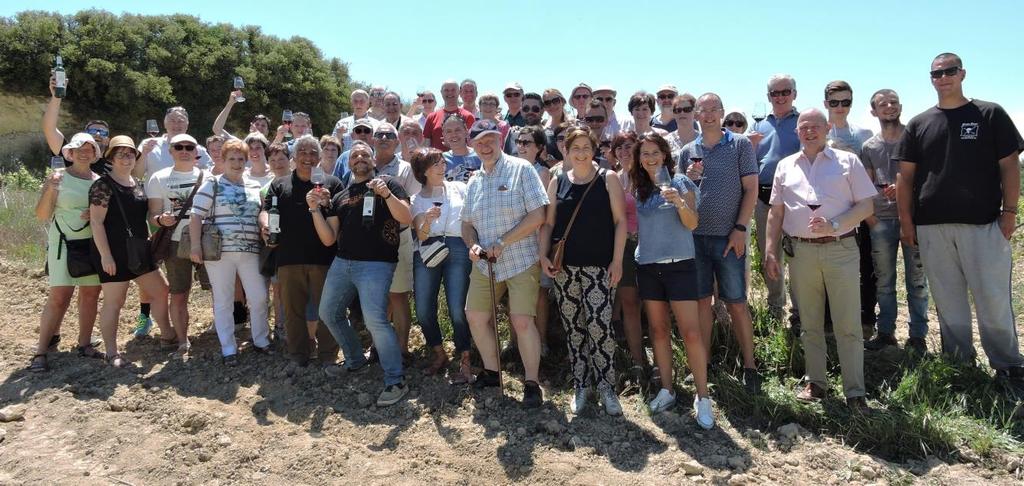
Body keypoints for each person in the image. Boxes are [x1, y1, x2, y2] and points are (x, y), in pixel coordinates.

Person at [894, 52, 1024, 400]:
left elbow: (1010, 165)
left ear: (962, 73)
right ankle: (959, 364)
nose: (943, 77)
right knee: (949, 302)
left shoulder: (989, 113)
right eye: (936, 73)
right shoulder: (920, 124)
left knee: (993, 299)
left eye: (949, 71)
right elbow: (905, 178)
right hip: (932, 228)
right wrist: (907, 222)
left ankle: (1009, 367)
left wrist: (1009, 213)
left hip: (983, 225)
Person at [764, 109, 876, 412]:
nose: (809, 131)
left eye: (815, 126)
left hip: (841, 248)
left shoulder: (847, 161)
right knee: (809, 322)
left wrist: (835, 225)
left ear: (827, 128)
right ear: (797, 132)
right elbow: (776, 212)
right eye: (804, 127)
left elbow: (866, 205)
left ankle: (855, 392)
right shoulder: (786, 166)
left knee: (848, 323)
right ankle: (816, 383)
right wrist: (770, 250)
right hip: (800, 252)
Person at [314, 141, 412, 406]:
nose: (360, 158)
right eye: (355, 155)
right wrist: (314, 209)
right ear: (349, 163)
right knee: (328, 313)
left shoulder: (389, 183)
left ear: (373, 160)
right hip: (342, 262)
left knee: (375, 321)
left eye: (365, 154)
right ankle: (356, 360)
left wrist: (387, 196)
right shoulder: (340, 197)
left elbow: (406, 218)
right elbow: (328, 238)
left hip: (376, 264)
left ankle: (396, 380)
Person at [460, 119, 549, 408]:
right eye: (479, 142)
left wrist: (504, 241)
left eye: (489, 140)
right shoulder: (473, 181)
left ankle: (532, 383)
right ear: (472, 146)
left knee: (522, 321)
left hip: (521, 259)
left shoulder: (521, 169)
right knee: (474, 316)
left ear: (500, 139)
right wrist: (472, 244)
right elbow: (466, 225)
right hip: (485, 264)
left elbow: (538, 216)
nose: (485, 146)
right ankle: (492, 371)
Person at [539, 127, 627, 415]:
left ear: (594, 149)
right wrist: (543, 255)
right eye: (574, 147)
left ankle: (606, 387)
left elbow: (620, 222)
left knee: (600, 327)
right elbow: (549, 223)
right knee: (574, 328)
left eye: (585, 147)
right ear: (566, 149)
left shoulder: (608, 178)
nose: (580, 153)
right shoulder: (558, 181)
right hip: (565, 268)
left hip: (599, 267)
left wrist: (617, 260)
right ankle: (581, 384)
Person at [678, 93, 761, 394]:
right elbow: (681, 197)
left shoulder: (739, 145)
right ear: (697, 115)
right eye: (704, 110)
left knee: (736, 303)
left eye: (715, 110)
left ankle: (750, 366)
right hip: (695, 239)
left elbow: (750, 190)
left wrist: (740, 228)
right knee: (702, 302)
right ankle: (704, 362)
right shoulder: (688, 151)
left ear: (723, 113)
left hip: (729, 238)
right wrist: (688, 180)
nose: (710, 115)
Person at [631, 132, 713, 429]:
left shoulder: (681, 183)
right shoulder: (638, 189)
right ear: (639, 160)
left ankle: (703, 397)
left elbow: (692, 223)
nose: (650, 158)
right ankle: (667, 389)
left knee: (691, 333)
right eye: (644, 154)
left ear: (665, 155)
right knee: (658, 330)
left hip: (681, 266)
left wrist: (679, 202)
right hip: (649, 266)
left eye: (655, 152)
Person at [88, 136, 171, 368]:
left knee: (161, 290)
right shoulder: (103, 185)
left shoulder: (137, 184)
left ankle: (167, 333)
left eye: (130, 154)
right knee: (115, 301)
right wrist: (105, 256)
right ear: (111, 158)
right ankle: (112, 352)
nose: (126, 158)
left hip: (137, 250)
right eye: (120, 154)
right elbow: (96, 222)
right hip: (112, 252)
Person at [260, 135, 342, 367]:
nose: (307, 157)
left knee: (327, 310)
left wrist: (327, 203)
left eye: (312, 153)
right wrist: (265, 224)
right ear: (294, 157)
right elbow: (265, 210)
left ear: (319, 157)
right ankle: (298, 355)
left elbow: (340, 218)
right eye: (303, 152)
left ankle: (328, 356)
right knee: (292, 312)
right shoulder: (279, 184)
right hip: (288, 259)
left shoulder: (333, 183)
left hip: (324, 259)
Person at [188, 139, 271, 366]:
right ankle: (228, 348)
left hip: (251, 251)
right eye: (231, 159)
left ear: (246, 161)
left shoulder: (254, 186)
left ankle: (261, 340)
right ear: (223, 161)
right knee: (223, 300)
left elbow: (262, 213)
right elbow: (196, 216)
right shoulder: (212, 184)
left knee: (259, 297)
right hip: (219, 253)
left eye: (240, 159)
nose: (236, 163)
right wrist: (195, 246)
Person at [861, 89, 929, 353]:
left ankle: (918, 336)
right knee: (884, 281)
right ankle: (886, 332)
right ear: (874, 111)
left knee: (917, 281)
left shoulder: (914, 139)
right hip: (882, 221)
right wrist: (872, 220)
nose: (889, 107)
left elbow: (925, 178)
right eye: (883, 104)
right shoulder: (870, 147)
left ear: (900, 107)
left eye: (893, 102)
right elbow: (865, 185)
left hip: (913, 219)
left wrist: (903, 190)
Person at [29, 133, 104, 372]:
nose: (84, 152)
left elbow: (106, 215)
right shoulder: (58, 178)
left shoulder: (100, 181)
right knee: (60, 296)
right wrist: (51, 189)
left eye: (89, 148)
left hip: (91, 245)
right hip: (63, 243)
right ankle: (41, 351)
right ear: (69, 153)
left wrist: (94, 215)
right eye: (78, 148)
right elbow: (42, 214)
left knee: (91, 294)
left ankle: (84, 344)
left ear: (95, 154)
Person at [409, 148, 473, 381]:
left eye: (441, 162)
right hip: (427, 250)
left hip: (458, 247)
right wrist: (426, 220)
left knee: (458, 309)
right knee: (423, 310)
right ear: (423, 171)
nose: (441, 166)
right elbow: (422, 235)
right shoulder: (416, 199)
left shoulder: (460, 188)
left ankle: (465, 358)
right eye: (435, 163)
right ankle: (439, 353)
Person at [146, 133, 212, 355]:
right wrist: (160, 220)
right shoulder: (158, 178)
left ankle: (223, 333)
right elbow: (153, 215)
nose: (184, 150)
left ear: (196, 152)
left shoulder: (209, 176)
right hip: (174, 243)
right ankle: (183, 340)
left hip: (206, 241)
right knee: (179, 293)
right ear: (170, 151)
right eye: (179, 147)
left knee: (218, 290)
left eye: (189, 147)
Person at [824, 81, 878, 335]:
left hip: (860, 209)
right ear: (826, 104)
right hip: (830, 210)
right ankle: (827, 320)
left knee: (866, 264)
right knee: (827, 267)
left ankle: (866, 318)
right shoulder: (817, 133)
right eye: (834, 102)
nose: (840, 107)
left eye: (845, 102)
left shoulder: (864, 134)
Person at [752, 74, 801, 324]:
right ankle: (775, 307)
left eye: (785, 92)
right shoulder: (759, 126)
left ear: (795, 93)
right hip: (764, 198)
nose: (780, 97)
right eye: (775, 93)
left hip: (795, 200)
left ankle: (799, 312)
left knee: (797, 256)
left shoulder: (804, 123)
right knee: (769, 254)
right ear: (768, 97)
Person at [372, 123, 421, 360]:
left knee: (398, 295)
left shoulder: (406, 169)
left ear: (397, 140)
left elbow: (412, 206)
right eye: (379, 135)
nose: (383, 138)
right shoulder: (362, 164)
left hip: (398, 238)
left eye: (389, 135)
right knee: (374, 297)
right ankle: (377, 346)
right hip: (367, 241)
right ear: (373, 140)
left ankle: (401, 350)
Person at [611, 132, 645, 377]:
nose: (624, 151)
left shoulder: (647, 177)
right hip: (623, 248)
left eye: (628, 146)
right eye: (618, 147)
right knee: (630, 305)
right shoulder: (612, 179)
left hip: (650, 246)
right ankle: (638, 361)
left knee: (655, 307)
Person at [43, 74, 112, 176]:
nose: (97, 134)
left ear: (108, 140)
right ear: (85, 135)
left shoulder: (114, 165)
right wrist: (56, 96)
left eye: (102, 132)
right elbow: (49, 129)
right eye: (92, 131)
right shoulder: (72, 155)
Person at [136, 106, 212, 181]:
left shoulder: (197, 149)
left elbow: (213, 173)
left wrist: (198, 170)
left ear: (187, 125)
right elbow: (137, 175)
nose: (176, 125)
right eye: (172, 121)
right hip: (155, 193)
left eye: (180, 121)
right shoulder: (148, 145)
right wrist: (144, 154)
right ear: (165, 124)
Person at [423, 80, 476, 151]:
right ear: (441, 92)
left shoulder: (468, 116)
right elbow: (426, 145)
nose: (450, 93)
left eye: (453, 90)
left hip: (461, 161)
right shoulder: (432, 117)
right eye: (446, 90)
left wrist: (454, 146)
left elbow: (472, 145)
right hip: (437, 161)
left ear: (459, 92)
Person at [441, 114, 482, 183]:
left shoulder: (480, 155)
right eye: (449, 131)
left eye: (457, 130)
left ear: (466, 131)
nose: (454, 135)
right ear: (444, 135)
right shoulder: (441, 160)